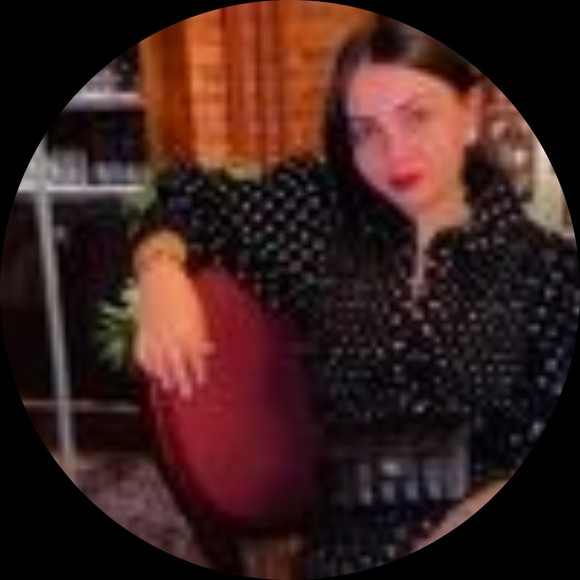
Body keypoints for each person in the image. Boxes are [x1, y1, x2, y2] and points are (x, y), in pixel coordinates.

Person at [130, 15, 579, 578]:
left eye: (416, 116)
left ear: (470, 113)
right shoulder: (321, 215)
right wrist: (160, 271)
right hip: (348, 545)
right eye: (365, 130)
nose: (394, 154)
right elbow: (187, 196)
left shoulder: (549, 272)